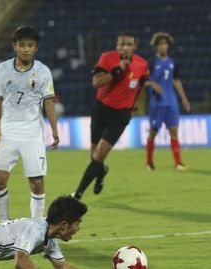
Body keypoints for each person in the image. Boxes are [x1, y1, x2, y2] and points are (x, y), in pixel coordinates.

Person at [0, 26, 59, 222]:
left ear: (36, 47)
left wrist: (54, 131)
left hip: (32, 133)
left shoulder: (43, 71)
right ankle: (4, 224)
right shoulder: (3, 69)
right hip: (8, 131)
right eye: (22, 45)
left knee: (36, 182)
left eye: (30, 45)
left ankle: (37, 225)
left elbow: (48, 101)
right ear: (14, 46)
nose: (25, 49)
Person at [73, 32, 149, 200]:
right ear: (116, 45)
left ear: (135, 46)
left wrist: (135, 108)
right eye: (122, 44)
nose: (125, 48)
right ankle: (101, 173)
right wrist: (117, 71)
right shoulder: (107, 58)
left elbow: (141, 87)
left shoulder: (142, 65)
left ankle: (77, 194)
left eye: (129, 44)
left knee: (99, 155)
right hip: (101, 110)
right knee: (94, 157)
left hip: (120, 116)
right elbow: (96, 83)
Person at [145, 32, 191, 171]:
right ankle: (149, 163)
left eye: (165, 44)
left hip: (171, 102)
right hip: (157, 103)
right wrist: (152, 84)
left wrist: (184, 98)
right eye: (160, 44)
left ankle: (178, 163)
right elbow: (142, 81)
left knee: (174, 132)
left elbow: (176, 80)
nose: (163, 47)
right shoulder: (151, 62)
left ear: (168, 46)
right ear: (156, 47)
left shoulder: (172, 62)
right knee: (153, 132)